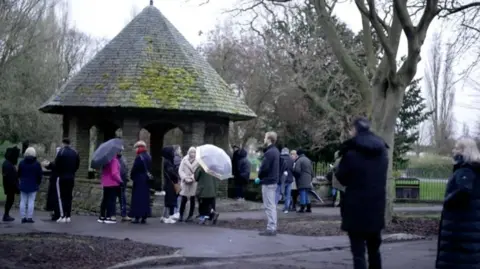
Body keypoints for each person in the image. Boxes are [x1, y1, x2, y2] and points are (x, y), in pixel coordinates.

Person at [335, 117, 388, 269]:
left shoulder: (351, 152)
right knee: (374, 250)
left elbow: (342, 178)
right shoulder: (382, 151)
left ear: (355, 130)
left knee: (358, 253)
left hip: (355, 207)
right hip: (376, 206)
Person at [436, 137, 480, 269]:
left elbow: (464, 191)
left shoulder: (465, 170)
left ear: (463, 151)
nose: (453, 150)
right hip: (471, 229)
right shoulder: (475, 170)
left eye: (456, 147)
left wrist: (448, 202)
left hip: (459, 229)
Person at [254, 131, 280, 236]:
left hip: (268, 181)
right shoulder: (276, 151)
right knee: (271, 205)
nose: (264, 139)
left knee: (269, 205)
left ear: (269, 139)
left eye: (265, 137)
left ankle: (271, 227)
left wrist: (259, 176)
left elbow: (264, 167)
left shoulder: (269, 153)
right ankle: (272, 226)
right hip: (273, 180)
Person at [54, 138, 80, 223]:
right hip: (71, 177)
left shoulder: (61, 152)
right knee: (69, 196)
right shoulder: (75, 153)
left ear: (63, 143)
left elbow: (56, 164)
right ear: (70, 143)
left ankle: (62, 215)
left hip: (62, 177)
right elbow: (77, 165)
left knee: (62, 197)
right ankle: (68, 215)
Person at [18, 147, 43, 223]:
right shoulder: (37, 164)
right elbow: (39, 175)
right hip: (33, 184)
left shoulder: (22, 163)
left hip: (23, 183)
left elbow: (19, 173)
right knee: (31, 201)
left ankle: (23, 217)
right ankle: (29, 217)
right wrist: (38, 183)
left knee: (23, 201)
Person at [129, 141, 152, 224]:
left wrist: (132, 176)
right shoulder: (148, 156)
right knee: (145, 198)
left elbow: (135, 168)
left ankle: (137, 216)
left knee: (138, 198)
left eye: (136, 148)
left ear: (139, 147)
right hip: (146, 180)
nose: (135, 150)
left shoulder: (139, 157)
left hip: (139, 179)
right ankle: (144, 216)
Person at [97, 154, 122, 224]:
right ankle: (110, 217)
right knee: (112, 200)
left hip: (105, 183)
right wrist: (120, 181)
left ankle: (102, 216)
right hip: (113, 183)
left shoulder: (105, 160)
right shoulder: (114, 160)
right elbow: (114, 173)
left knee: (105, 199)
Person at [178, 147, 199, 222]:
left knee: (193, 199)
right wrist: (184, 178)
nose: (193, 154)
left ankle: (190, 215)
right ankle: (181, 214)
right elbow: (180, 170)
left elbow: (197, 171)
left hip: (193, 182)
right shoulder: (184, 160)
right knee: (184, 199)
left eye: (194, 152)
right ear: (188, 152)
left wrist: (192, 178)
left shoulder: (198, 161)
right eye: (191, 152)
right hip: (185, 182)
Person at [161, 146, 180, 224]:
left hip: (169, 183)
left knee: (169, 200)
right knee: (170, 200)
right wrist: (176, 174)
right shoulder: (168, 162)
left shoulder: (167, 161)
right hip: (170, 183)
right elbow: (171, 172)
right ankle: (170, 216)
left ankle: (165, 216)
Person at [43, 147, 61, 221]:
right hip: (56, 180)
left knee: (55, 198)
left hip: (56, 181)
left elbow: (53, 166)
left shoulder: (59, 161)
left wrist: (48, 164)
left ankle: (57, 214)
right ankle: (56, 213)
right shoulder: (60, 161)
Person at [2, 146, 20, 222]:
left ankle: (6, 214)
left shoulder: (6, 163)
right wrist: (15, 186)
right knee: (10, 200)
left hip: (9, 185)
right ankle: (6, 215)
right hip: (10, 185)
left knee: (10, 200)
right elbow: (10, 177)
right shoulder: (8, 165)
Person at [293, 149, 314, 213]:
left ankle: (302, 207)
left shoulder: (299, 160)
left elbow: (297, 171)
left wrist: (295, 176)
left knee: (302, 192)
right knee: (307, 193)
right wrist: (311, 178)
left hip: (301, 179)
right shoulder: (308, 160)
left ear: (298, 154)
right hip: (308, 179)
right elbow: (312, 172)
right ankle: (309, 207)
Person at [115, 148, 131, 222]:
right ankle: (110, 214)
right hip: (115, 182)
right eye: (118, 150)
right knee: (112, 200)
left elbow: (126, 168)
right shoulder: (113, 159)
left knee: (122, 199)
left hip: (123, 182)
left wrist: (127, 177)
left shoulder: (123, 159)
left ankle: (124, 215)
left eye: (120, 150)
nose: (120, 152)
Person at [278, 147, 294, 213]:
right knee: (288, 194)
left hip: (281, 179)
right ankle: (286, 208)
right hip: (289, 179)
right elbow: (293, 169)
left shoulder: (279, 159)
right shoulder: (291, 159)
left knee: (280, 193)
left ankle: (274, 207)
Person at [172, 145, 183, 219]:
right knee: (178, 195)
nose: (181, 150)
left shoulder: (174, 158)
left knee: (176, 195)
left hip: (176, 179)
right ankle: (176, 211)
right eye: (179, 149)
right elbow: (178, 169)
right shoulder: (178, 158)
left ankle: (175, 211)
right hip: (178, 180)